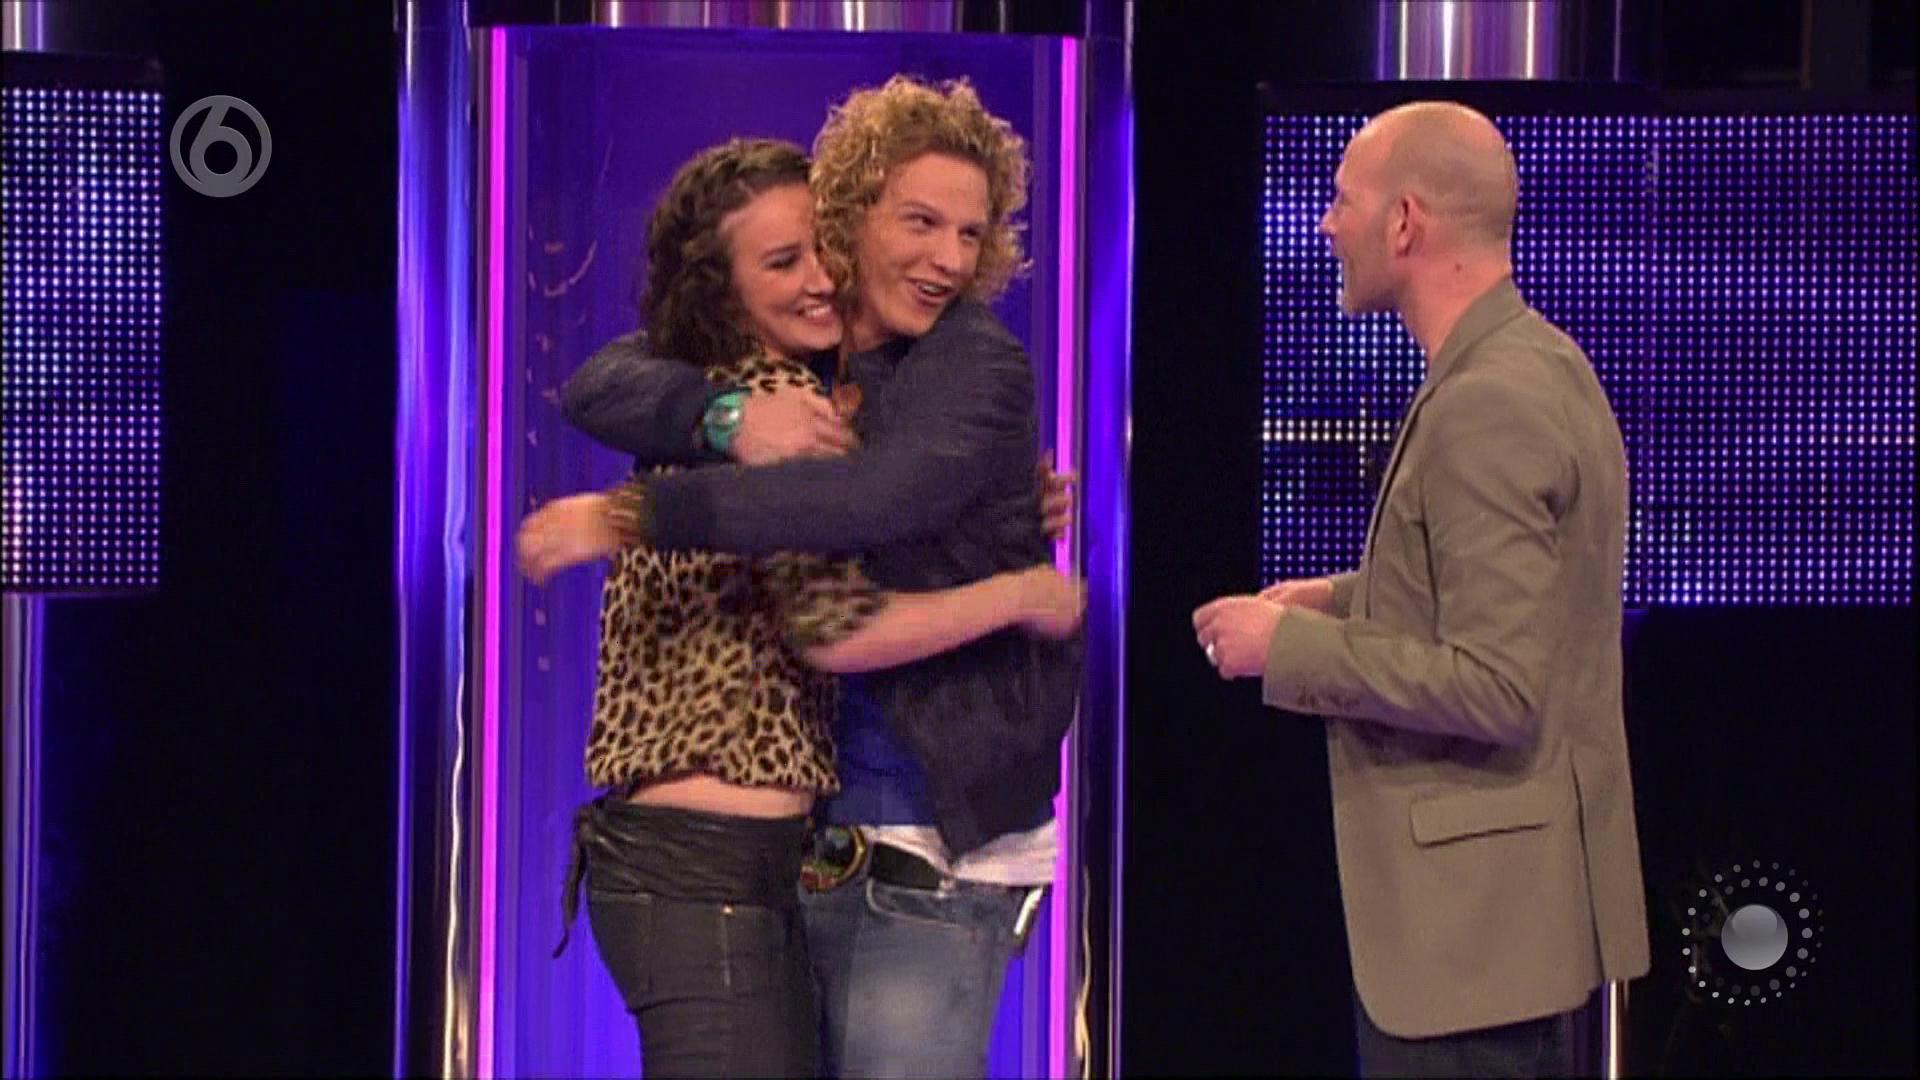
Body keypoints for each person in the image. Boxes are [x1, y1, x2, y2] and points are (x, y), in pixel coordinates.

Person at [516, 75, 1080, 1079]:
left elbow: (885, 497)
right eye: (920, 223)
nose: (950, 259)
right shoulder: (770, 387)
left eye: (970, 232)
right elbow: (835, 615)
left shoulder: (916, 371)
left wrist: (1001, 521)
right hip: (716, 863)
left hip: (826, 853)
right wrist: (1021, 593)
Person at [1192, 101, 1650, 1078]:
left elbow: (1498, 682)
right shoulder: (1536, 360)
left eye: (1342, 200)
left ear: (1404, 222)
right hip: (1493, 934)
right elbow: (1512, 590)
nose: (1326, 225)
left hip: (1472, 942)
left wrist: (1289, 651)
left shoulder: (1490, 400)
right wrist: (1340, 598)